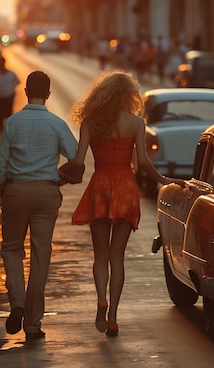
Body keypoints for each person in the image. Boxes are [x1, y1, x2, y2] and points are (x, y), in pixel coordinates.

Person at [62, 70, 186, 337]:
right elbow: (142, 162)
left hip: (100, 186)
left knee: (100, 256)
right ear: (128, 95)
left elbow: (79, 161)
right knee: (117, 257)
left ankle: (101, 303)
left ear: (101, 94)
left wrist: (59, 177)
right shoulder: (136, 123)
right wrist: (163, 179)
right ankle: (114, 317)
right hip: (125, 188)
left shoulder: (90, 123)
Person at [0, 70, 78, 341]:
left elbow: (0, 169)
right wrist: (61, 178)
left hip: (16, 190)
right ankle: (32, 323)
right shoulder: (56, 123)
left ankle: (17, 302)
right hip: (46, 192)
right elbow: (76, 158)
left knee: (11, 249)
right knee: (41, 255)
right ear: (49, 93)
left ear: (26, 91)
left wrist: (4, 195)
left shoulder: (12, 123)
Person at [0, 56, 19, 133]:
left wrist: (11, 88)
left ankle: (8, 133)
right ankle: (1, 133)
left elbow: (17, 81)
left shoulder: (11, 74)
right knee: (0, 116)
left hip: (9, 97)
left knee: (8, 116)